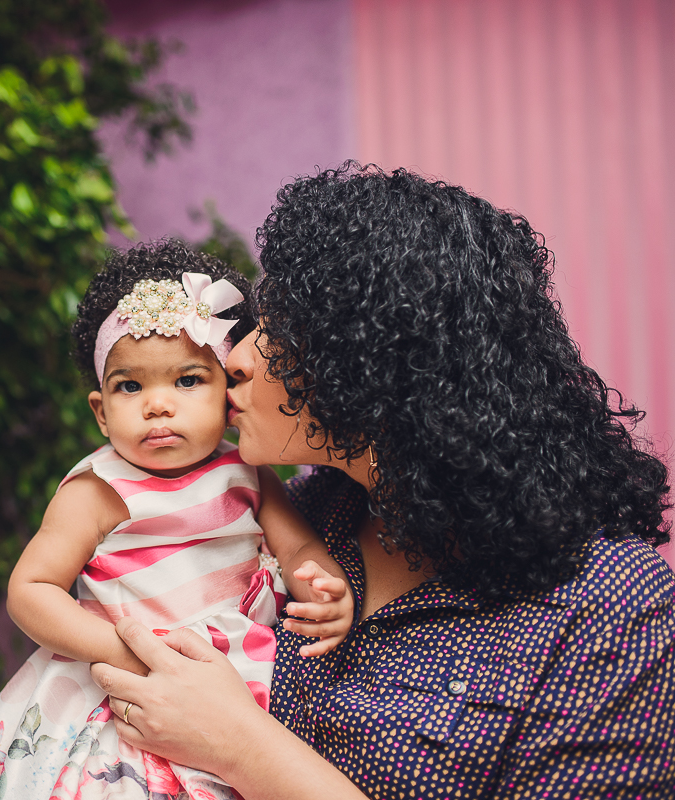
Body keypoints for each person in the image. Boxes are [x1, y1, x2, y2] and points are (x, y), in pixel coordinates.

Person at [89, 163, 675, 799]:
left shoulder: (611, 606)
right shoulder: (297, 518)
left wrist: (241, 746)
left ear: (372, 361)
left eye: (277, 332)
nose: (237, 357)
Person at [0, 240, 355, 800]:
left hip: (235, 681)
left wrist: (324, 589)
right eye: (130, 386)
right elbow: (31, 590)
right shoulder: (98, 490)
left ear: (228, 397)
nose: (157, 404)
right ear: (101, 411)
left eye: (187, 381)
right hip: (120, 690)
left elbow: (298, 549)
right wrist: (125, 650)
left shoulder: (248, 472)